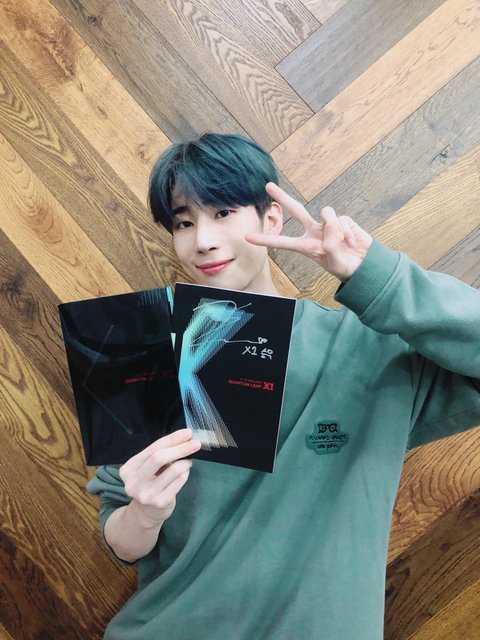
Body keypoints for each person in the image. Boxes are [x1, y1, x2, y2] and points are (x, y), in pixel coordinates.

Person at [86, 132, 480, 639]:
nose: (202, 240)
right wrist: (145, 512)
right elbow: (120, 539)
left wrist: (373, 274)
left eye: (223, 212)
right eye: (184, 222)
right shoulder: (147, 357)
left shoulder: (372, 350)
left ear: (270, 218)